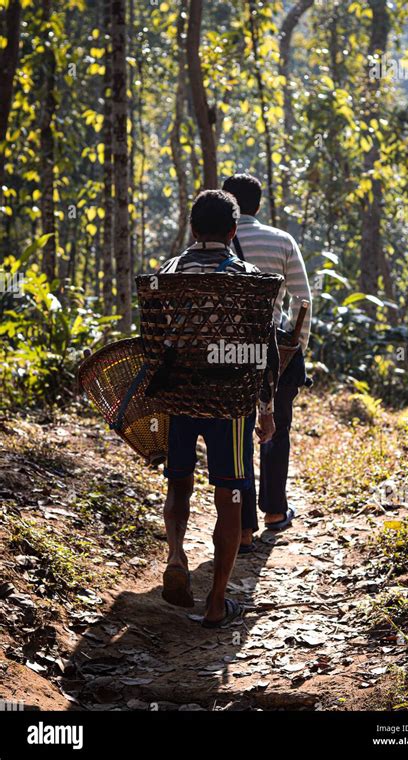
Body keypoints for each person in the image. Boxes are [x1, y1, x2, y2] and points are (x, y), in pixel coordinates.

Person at [157, 190, 279, 627]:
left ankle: (175, 555)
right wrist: (266, 409)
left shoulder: (167, 274)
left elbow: (157, 344)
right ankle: (215, 602)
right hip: (229, 405)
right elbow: (263, 351)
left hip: (179, 398)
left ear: (192, 229)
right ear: (232, 231)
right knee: (229, 495)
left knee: (179, 486)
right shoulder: (248, 278)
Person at [222, 173, 312, 550]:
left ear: (227, 201)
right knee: (278, 428)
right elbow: (303, 300)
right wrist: (292, 344)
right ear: (258, 205)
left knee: (237, 435)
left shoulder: (212, 242)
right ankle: (275, 511)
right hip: (274, 347)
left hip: (226, 352)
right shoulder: (282, 241)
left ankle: (243, 527)